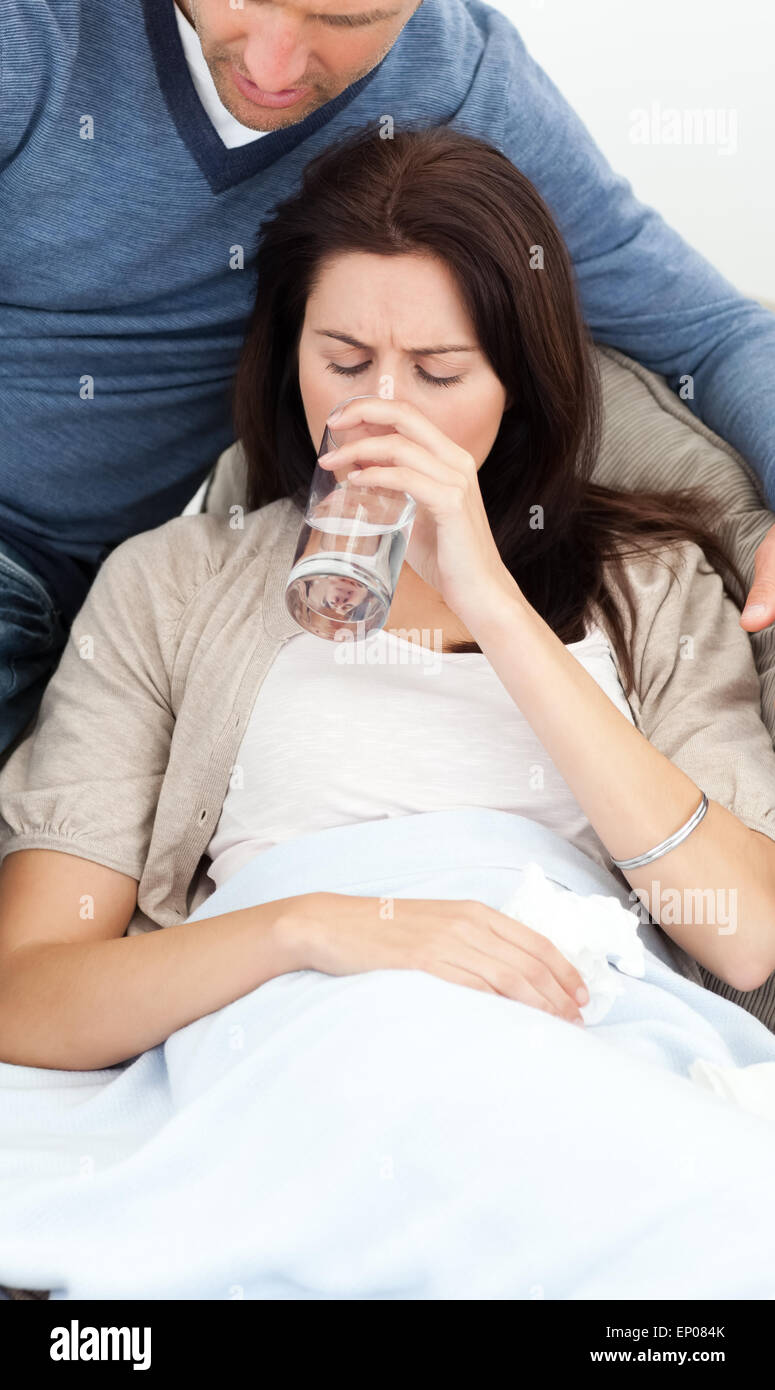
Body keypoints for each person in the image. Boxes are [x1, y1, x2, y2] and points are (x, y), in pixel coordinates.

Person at [2, 121, 775, 1078]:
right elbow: (26, 995)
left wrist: (488, 596)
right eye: (343, 360)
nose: (384, 411)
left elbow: (743, 935)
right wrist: (313, 929)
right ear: (290, 358)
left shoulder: (648, 582)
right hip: (299, 1057)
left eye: (440, 373)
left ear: (516, 387)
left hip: (573, 1058)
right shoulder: (173, 583)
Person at [2, 0, 775, 761]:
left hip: (51, 583)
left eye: (341, 22)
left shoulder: (462, 84)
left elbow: (711, 333)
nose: (272, 66)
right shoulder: (31, 33)